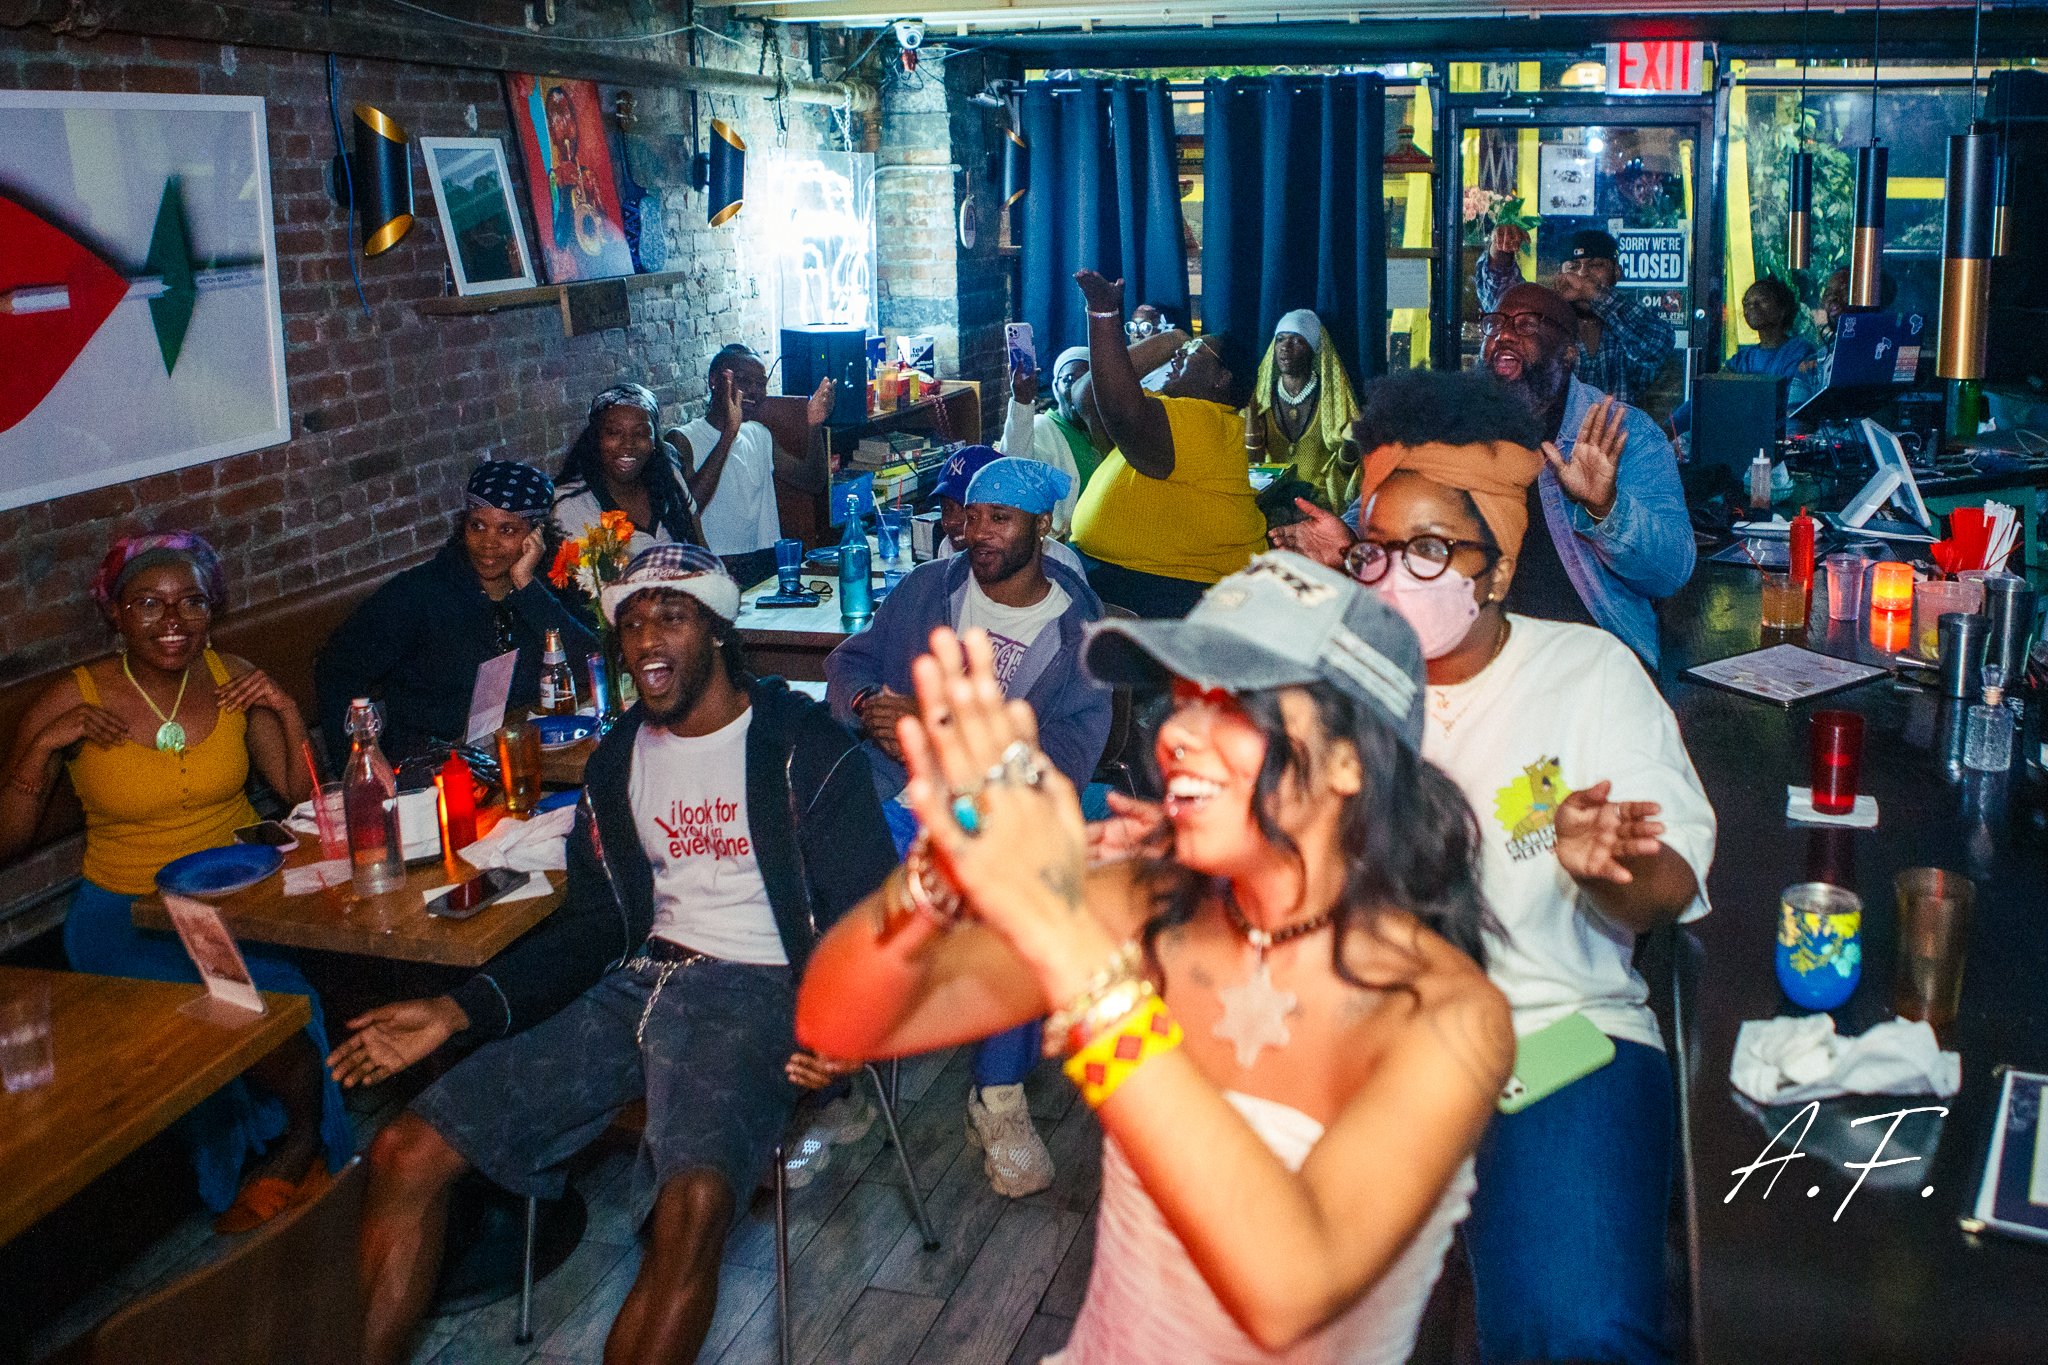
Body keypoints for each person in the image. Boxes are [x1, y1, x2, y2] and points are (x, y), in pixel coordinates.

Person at [796, 555, 1514, 1362]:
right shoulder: (1146, 905)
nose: (1176, 735)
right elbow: (837, 1022)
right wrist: (941, 877)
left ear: (1352, 757)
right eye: (1181, 698)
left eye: (1234, 703)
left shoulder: (1452, 1016)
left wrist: (1060, 930)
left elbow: (1289, 1293)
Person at [330, 544, 896, 1365]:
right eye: (630, 622)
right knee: (403, 1150)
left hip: (763, 994)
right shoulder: (618, 758)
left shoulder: (802, 747)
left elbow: (877, 919)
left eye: (671, 614)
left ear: (717, 630)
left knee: (693, 1204)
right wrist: (458, 1009)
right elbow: (597, 926)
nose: (645, 638)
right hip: (633, 984)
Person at [1340, 370, 1715, 1364]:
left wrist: (1607, 870)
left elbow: (1669, 880)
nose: (1394, 576)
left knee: (1576, 1325)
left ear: (1497, 567)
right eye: (1375, 551)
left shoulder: (1586, 672)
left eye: (1430, 550)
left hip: (1548, 1039)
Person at [0, 533, 351, 1232]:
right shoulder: (77, 693)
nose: (174, 619)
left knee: (282, 998)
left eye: (193, 601)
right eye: (150, 603)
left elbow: (297, 793)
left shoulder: (231, 674)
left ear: (212, 610)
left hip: (241, 899)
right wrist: (42, 746)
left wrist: (281, 706)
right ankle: (280, 1151)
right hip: (127, 912)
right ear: (117, 614)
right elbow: (8, 840)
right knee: (237, 1005)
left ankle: (305, 1143)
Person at [824, 457, 1112, 1197]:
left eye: (999, 519)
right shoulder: (929, 590)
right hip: (900, 804)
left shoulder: (1079, 634)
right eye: (971, 515)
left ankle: (1001, 1098)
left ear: (1042, 527)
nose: (977, 533)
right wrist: (866, 708)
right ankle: (842, 1082)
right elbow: (847, 665)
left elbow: (1067, 764)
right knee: (821, 888)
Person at [1273, 285, 1693, 668]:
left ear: (1569, 352)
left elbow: (1670, 573)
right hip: (1461, 652)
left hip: (1587, 662)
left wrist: (1605, 507)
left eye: (1527, 324)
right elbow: (1389, 506)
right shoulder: (1450, 420)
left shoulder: (1623, 434)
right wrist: (1352, 544)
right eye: (1494, 324)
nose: (1504, 334)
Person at [316, 461, 597, 768]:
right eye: (477, 525)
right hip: (435, 769)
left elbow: (591, 666)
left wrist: (526, 587)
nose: (488, 543)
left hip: (532, 757)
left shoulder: (551, 585)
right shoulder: (420, 593)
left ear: (536, 536)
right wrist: (363, 758)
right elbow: (337, 669)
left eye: (507, 529)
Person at [1068, 270, 1267, 619]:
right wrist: (1173, 338)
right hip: (1130, 576)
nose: (1180, 354)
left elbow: (1119, 411)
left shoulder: (1209, 421)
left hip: (1168, 588)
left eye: (1193, 350)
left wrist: (1103, 315)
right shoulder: (1167, 411)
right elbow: (1086, 396)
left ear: (1223, 379)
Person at [668, 345, 834, 587]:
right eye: (745, 381)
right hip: (714, 571)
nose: (755, 391)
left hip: (764, 566)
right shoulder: (682, 439)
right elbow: (687, 508)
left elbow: (812, 481)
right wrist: (729, 433)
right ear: (714, 381)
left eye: (761, 383)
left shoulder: (758, 434)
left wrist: (814, 424)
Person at [1478, 227, 1674, 410]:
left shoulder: (1628, 324)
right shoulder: (1543, 323)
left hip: (1616, 442)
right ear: (1560, 275)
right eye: (1573, 266)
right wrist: (1500, 255)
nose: (1582, 274)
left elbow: (1658, 343)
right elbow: (1503, 299)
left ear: (1616, 272)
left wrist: (1596, 295)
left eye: (1596, 265)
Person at [551, 383, 705, 559]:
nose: (628, 444)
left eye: (640, 433)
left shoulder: (669, 477)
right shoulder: (569, 506)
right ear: (595, 438)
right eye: (614, 432)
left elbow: (700, 548)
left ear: (655, 440)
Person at [1671, 277, 1821, 434]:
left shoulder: (1799, 351)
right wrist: (1671, 427)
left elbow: (1793, 410)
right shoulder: (1742, 359)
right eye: (1746, 303)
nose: (1751, 307)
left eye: (1761, 300)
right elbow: (1709, 395)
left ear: (1782, 310)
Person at [1246, 309, 1361, 511]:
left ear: (1313, 349)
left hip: (1322, 507)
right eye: (1280, 339)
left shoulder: (1332, 401)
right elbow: (1250, 464)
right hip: (1270, 505)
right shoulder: (1260, 400)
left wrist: (1350, 443)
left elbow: (1347, 470)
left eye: (1297, 340)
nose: (1285, 347)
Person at [999, 345, 1099, 534]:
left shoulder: (1109, 430)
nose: (1078, 391)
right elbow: (1013, 467)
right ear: (1055, 388)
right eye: (1069, 380)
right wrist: (1022, 401)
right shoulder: (1043, 427)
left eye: (1087, 382)